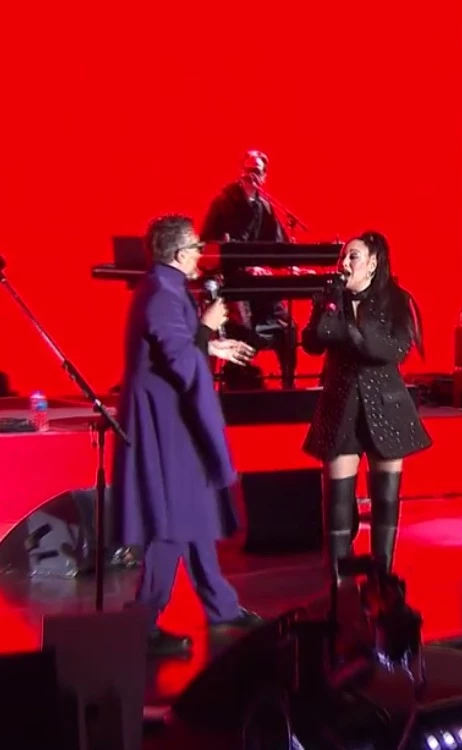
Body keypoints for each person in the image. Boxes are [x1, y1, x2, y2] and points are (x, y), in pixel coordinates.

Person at [112, 215, 260, 657]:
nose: (201, 254)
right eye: (196, 247)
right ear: (179, 253)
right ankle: (142, 622)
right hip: (165, 422)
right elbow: (178, 357)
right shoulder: (162, 292)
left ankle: (221, 606)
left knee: (193, 508)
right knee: (173, 517)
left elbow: (173, 349)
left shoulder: (165, 287)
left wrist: (209, 345)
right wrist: (208, 328)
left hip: (173, 418)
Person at [302, 231, 432, 584]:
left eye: (353, 256)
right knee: (337, 501)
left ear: (373, 264)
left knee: (385, 499)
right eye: (343, 256)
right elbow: (313, 342)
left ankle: (382, 579)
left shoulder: (396, 299)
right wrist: (330, 304)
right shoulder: (332, 298)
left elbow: (393, 350)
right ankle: (339, 583)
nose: (345, 263)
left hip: (386, 407)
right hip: (341, 406)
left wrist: (352, 332)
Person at [200, 150, 297, 389]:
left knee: (288, 326)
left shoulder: (265, 207)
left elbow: (277, 246)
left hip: (258, 284)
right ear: (240, 172)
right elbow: (207, 245)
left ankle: (288, 386)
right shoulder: (224, 203)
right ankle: (237, 381)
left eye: (256, 171)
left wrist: (292, 266)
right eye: (247, 170)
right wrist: (245, 266)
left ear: (264, 176)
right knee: (242, 326)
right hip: (232, 283)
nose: (251, 176)